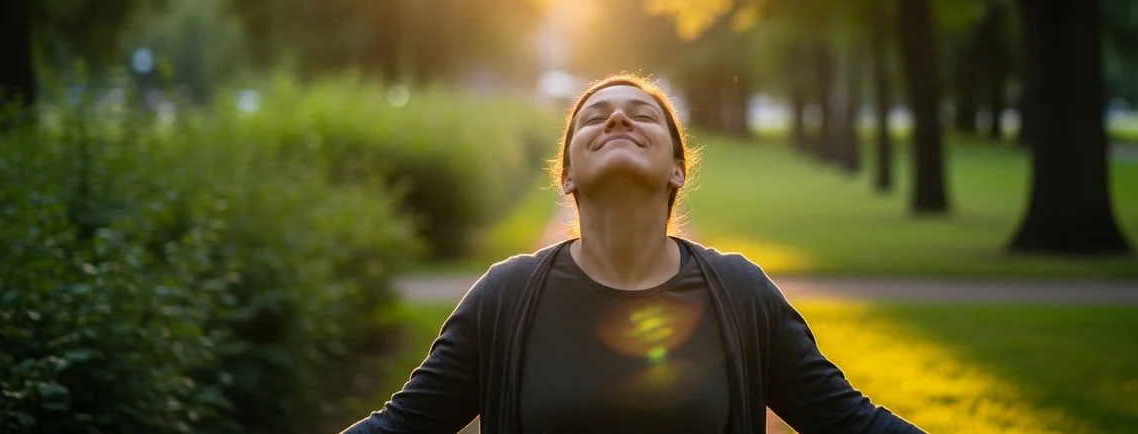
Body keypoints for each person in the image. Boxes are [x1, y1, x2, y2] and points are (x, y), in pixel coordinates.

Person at [341, 74, 925, 434]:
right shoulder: (505, 297)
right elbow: (402, 425)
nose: (617, 117)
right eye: (593, 118)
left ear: (677, 170)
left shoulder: (740, 293)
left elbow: (849, 421)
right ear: (568, 176)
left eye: (642, 115)